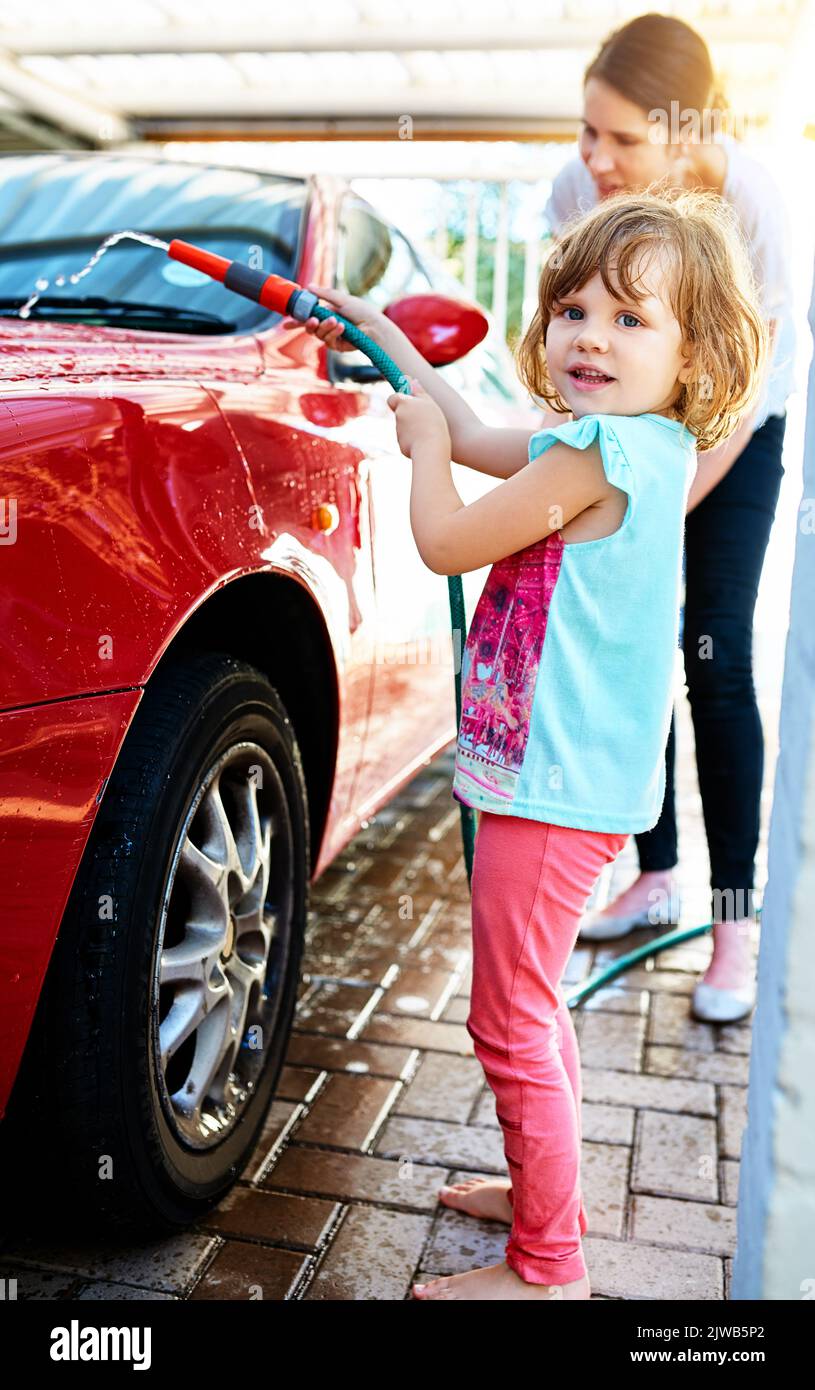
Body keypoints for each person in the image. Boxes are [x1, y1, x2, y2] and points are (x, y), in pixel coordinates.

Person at [292, 184, 768, 1300]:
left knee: (504, 1014)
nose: (590, 336)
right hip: (579, 783)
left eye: (628, 318)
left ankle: (547, 1266)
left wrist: (414, 450)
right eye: (572, 311)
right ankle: (542, 1193)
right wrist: (383, 334)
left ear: (690, 351)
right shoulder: (636, 448)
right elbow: (468, 425)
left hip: (549, 791)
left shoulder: (589, 456)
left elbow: (449, 536)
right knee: (532, 1001)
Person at [540, 11, 796, 1024]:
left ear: (685, 136)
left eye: (621, 139)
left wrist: (655, 503)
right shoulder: (577, 191)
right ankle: (654, 876)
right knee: (627, 636)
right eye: (585, 132)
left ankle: (732, 920)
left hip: (737, 430)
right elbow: (562, 336)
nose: (594, 159)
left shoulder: (752, 201)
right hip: (621, 431)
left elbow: (752, 378)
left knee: (711, 652)